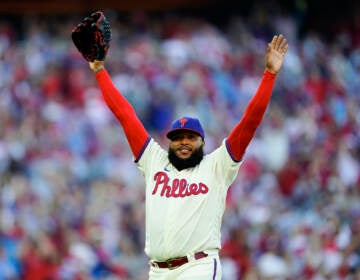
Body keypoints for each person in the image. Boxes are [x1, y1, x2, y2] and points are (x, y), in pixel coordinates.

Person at [87, 34, 288, 279]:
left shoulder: (217, 165)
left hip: (198, 267)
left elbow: (250, 121)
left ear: (202, 142)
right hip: (158, 271)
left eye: (190, 137)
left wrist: (269, 74)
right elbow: (125, 114)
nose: (184, 142)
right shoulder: (154, 161)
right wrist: (99, 71)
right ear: (169, 141)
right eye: (178, 137)